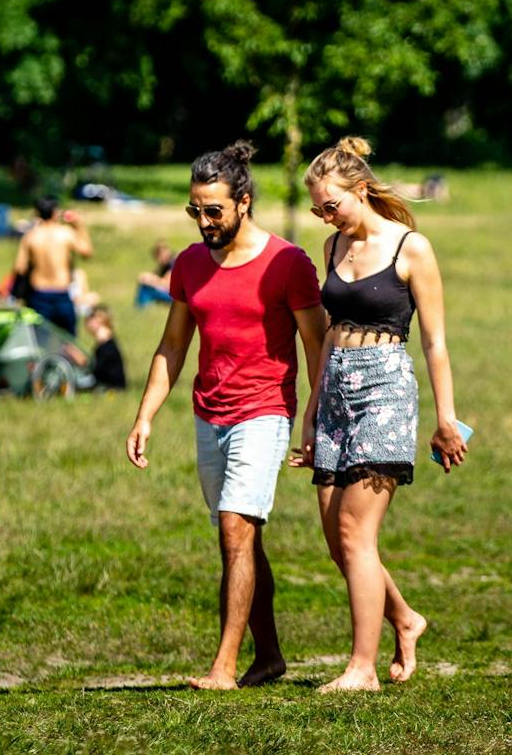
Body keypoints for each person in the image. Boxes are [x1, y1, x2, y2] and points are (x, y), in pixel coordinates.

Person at [125, 141, 329, 691]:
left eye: (213, 210)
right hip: (207, 415)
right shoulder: (190, 264)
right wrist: (145, 416)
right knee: (241, 537)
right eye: (195, 210)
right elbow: (172, 345)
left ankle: (223, 667)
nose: (203, 221)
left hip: (264, 412)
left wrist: (313, 415)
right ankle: (269, 657)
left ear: (244, 202)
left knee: (236, 532)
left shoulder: (288, 263)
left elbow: (317, 345)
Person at [295, 136, 465, 693]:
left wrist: (447, 419)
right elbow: (323, 340)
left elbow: (437, 343)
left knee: (353, 531)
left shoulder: (411, 248)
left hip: (386, 390)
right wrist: (312, 411)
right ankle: (405, 618)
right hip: (336, 391)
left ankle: (360, 668)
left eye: (332, 205)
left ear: (360, 190)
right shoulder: (330, 248)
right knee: (336, 537)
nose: (326, 216)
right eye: (319, 208)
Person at [15, 196, 93, 335]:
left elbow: (20, 267)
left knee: (41, 340)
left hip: (39, 294)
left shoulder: (30, 236)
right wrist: (79, 226)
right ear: (55, 212)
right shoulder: (65, 233)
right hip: (61, 293)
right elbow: (86, 252)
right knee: (69, 341)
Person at [86, 304, 127, 390]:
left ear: (99, 320)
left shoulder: (106, 344)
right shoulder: (106, 342)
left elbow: (96, 369)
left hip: (110, 387)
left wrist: (82, 361)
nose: (87, 321)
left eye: (90, 318)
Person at [136, 239, 176, 307]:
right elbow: (156, 274)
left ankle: (141, 308)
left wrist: (150, 280)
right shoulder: (164, 265)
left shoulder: (172, 263)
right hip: (172, 295)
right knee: (145, 286)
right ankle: (142, 307)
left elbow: (167, 284)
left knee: (146, 289)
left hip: (175, 297)